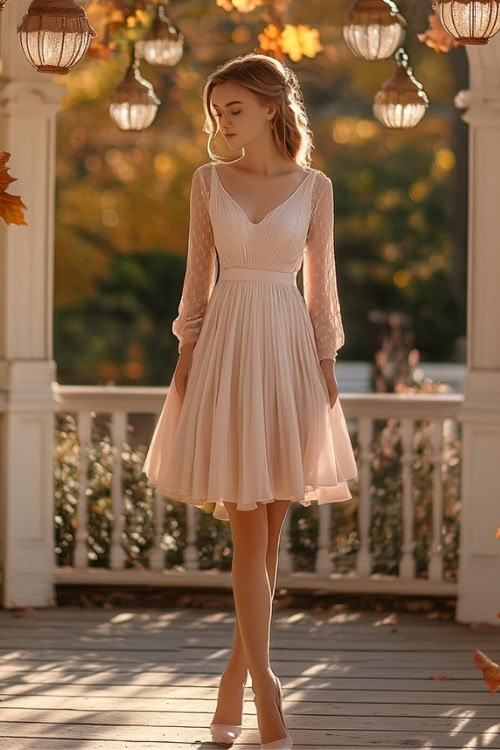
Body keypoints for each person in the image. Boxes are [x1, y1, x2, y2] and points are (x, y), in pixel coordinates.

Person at [143, 52, 358, 749]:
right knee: (246, 528)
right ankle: (267, 686)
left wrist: (326, 371)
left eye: (233, 108)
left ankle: (234, 680)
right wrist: (185, 356)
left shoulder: (316, 187)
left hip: (290, 356)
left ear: (270, 106)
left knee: (271, 533)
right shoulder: (207, 183)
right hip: (226, 355)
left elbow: (322, 293)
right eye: (216, 112)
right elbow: (195, 287)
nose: (222, 122)